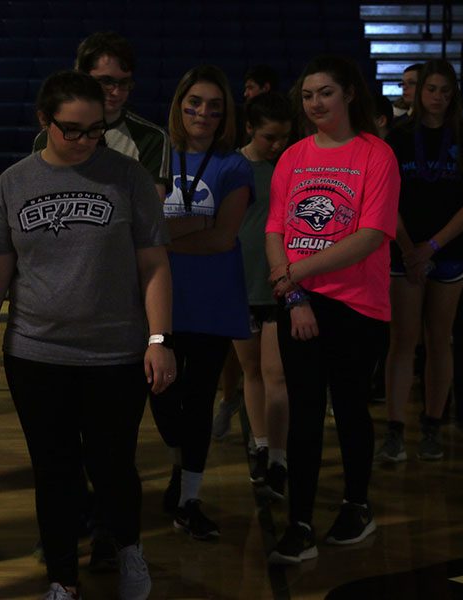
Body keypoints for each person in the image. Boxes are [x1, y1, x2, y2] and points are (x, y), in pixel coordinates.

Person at [0, 70, 174, 600]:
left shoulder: (127, 177)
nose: (83, 141)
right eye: (71, 130)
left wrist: (158, 339)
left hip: (116, 353)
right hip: (37, 354)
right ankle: (62, 577)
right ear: (43, 121)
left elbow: (154, 264)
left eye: (94, 130)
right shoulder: (13, 184)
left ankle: (128, 550)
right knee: (54, 472)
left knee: (113, 465)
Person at [265, 55, 399, 565]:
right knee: (303, 411)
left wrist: (292, 276)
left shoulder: (375, 155)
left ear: (348, 96)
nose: (315, 103)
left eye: (325, 93)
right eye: (307, 95)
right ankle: (299, 523)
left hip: (357, 305)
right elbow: (275, 228)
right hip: (298, 300)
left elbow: (370, 236)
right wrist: (294, 292)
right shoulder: (293, 156)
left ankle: (356, 504)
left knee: (348, 408)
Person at [150, 65, 253, 540]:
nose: (203, 113)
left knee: (197, 402)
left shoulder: (234, 165)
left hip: (212, 301)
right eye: (194, 102)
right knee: (163, 397)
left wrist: (164, 237)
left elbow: (223, 238)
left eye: (214, 106)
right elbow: (144, 233)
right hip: (160, 300)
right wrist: (195, 224)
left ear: (225, 113)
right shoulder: (158, 155)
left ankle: (190, 496)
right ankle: (179, 463)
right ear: (179, 104)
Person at [378, 60, 463, 462]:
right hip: (403, 253)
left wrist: (431, 248)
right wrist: (411, 249)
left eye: (446, 90)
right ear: (418, 92)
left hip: (448, 253)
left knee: (439, 340)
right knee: (403, 342)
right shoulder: (399, 136)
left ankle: (432, 424)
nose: (439, 97)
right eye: (432, 89)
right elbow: (385, 198)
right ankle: (394, 429)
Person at [234, 91, 293, 497]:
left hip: (280, 283)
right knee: (251, 371)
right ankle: (259, 444)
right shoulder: (232, 166)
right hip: (238, 284)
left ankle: (279, 456)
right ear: (250, 128)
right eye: (270, 137)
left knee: (277, 375)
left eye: (284, 137)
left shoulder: (291, 165)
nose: (278, 145)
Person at [33, 31, 170, 199]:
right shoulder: (50, 136)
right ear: (82, 76)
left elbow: (150, 215)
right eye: (106, 81)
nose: (116, 91)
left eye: (124, 82)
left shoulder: (151, 138)